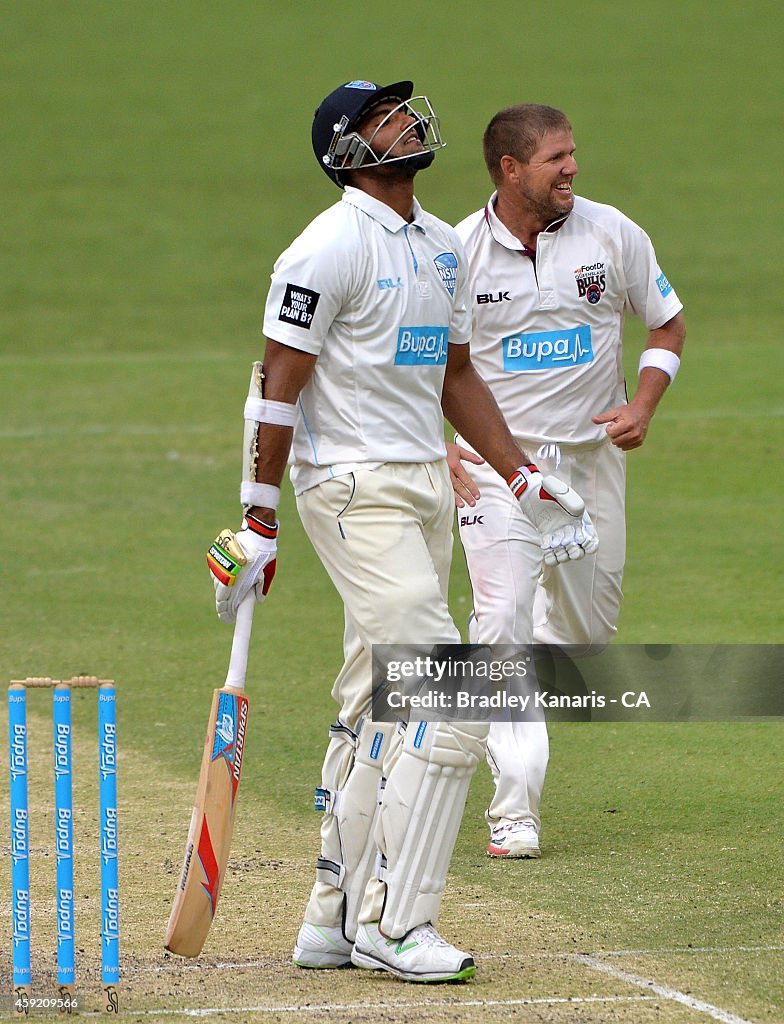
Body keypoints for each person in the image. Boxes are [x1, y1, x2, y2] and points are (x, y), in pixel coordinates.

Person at [207, 82, 597, 982]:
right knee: (448, 693)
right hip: (350, 489)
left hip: (426, 485)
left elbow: (456, 373)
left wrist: (521, 474)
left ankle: (332, 921)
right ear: (348, 150)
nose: (408, 123)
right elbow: (275, 384)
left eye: (405, 112)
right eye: (385, 117)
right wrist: (256, 518)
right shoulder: (325, 248)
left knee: (374, 704)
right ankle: (396, 924)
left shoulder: (441, 245)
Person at [449, 103, 685, 859]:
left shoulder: (613, 233)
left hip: (589, 469)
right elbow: (426, 363)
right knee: (505, 627)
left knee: (585, 637)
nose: (573, 169)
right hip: (497, 471)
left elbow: (667, 324)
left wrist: (644, 402)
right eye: (556, 159)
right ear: (510, 169)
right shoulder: (456, 252)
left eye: (573, 154)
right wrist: (438, 446)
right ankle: (513, 813)